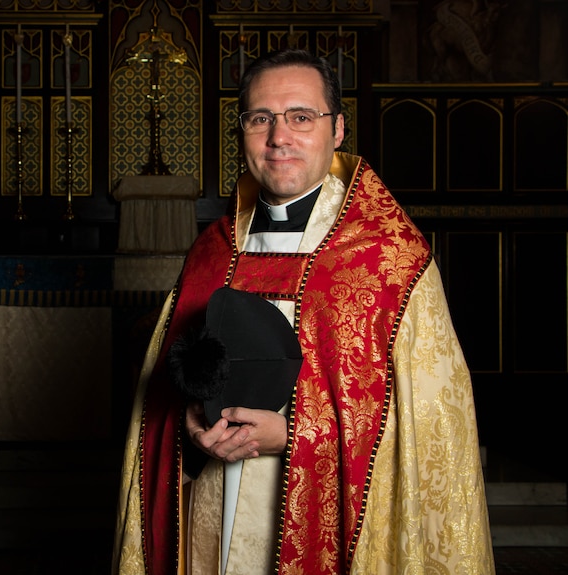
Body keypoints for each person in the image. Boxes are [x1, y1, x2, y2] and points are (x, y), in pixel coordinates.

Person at [112, 49, 494, 574]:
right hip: (211, 509)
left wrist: (292, 435)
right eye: (260, 118)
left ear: (337, 130)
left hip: (331, 527)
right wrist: (190, 426)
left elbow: (426, 433)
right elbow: (161, 403)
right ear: (242, 130)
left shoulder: (389, 259)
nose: (279, 137)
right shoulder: (212, 251)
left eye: (300, 117)